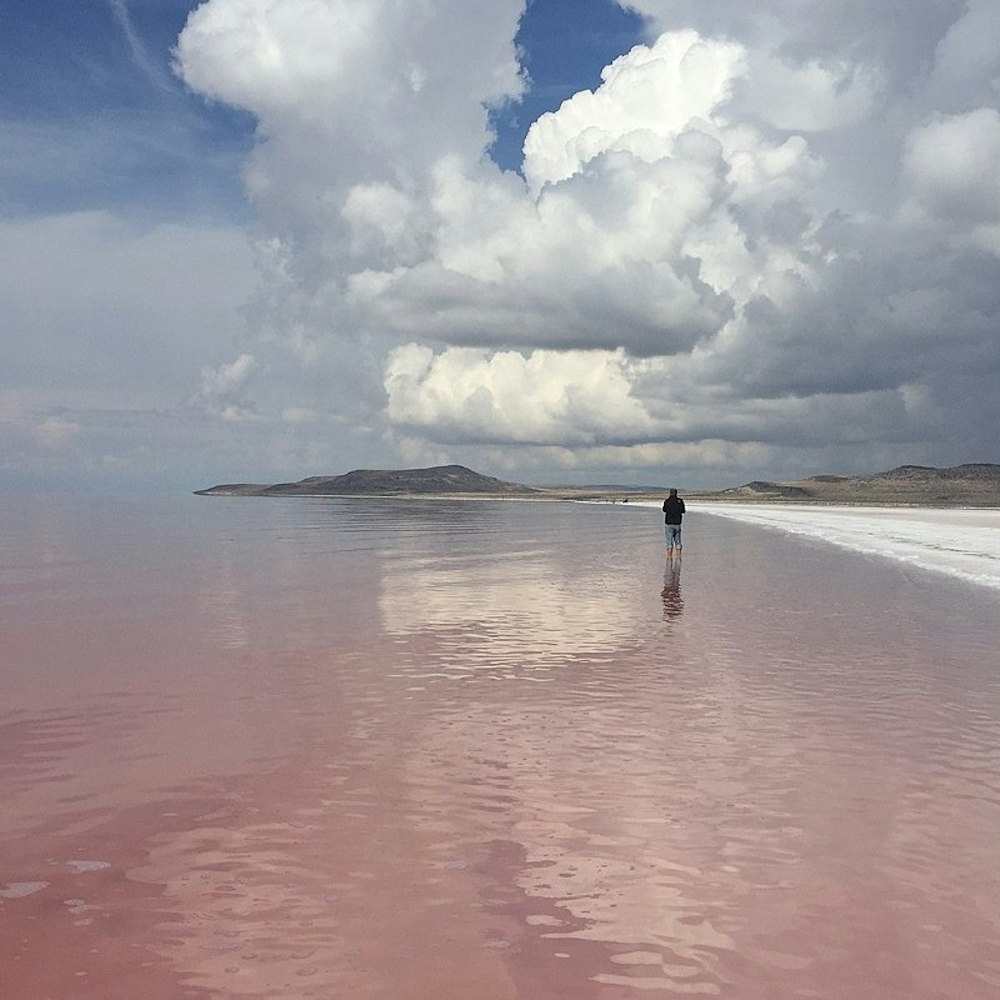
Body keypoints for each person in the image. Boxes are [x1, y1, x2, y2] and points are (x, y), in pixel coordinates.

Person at [662, 488, 685, 556]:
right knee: (678, 541)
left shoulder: (667, 501)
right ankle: (678, 556)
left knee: (669, 541)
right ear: (676, 493)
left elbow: (664, 510)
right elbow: (683, 511)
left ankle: (669, 557)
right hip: (677, 523)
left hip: (668, 523)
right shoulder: (680, 501)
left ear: (670, 493)